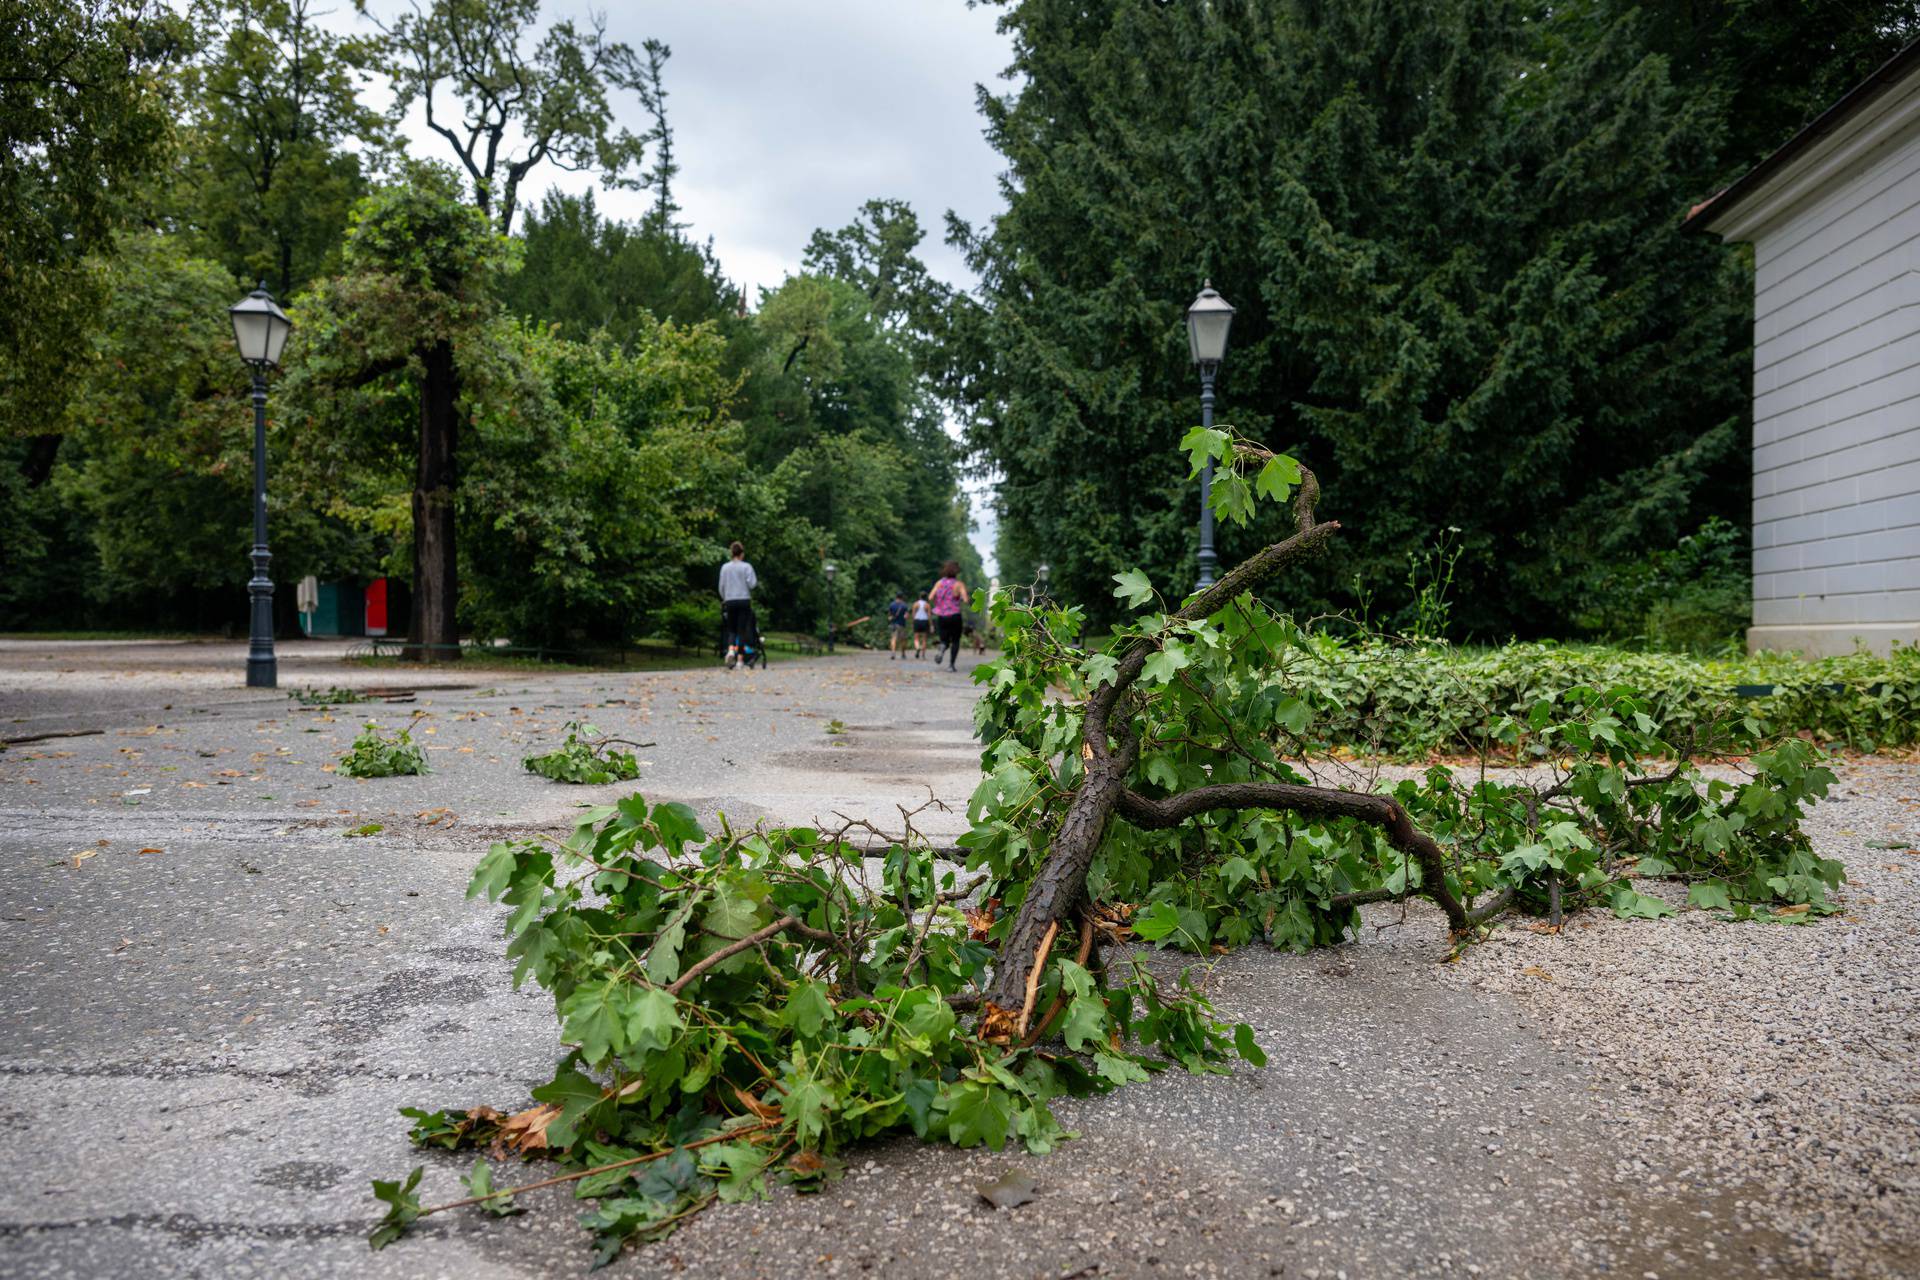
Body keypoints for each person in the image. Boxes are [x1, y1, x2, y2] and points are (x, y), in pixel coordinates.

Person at [718, 541, 757, 670]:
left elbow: (721, 586)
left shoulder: (725, 567)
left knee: (731, 629)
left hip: (730, 600)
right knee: (742, 630)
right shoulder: (747, 567)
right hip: (744, 600)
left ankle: (730, 651)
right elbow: (752, 584)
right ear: (742, 554)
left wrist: (725, 598)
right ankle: (740, 661)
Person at [928, 559, 971, 672]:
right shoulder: (959, 584)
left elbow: (930, 597)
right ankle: (951, 665)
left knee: (944, 640)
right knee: (955, 640)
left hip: (942, 616)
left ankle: (942, 648)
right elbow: (966, 600)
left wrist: (939, 604)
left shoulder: (939, 583)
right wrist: (961, 598)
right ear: (956, 572)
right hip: (955, 615)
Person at [886, 592, 910, 659]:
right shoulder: (904, 605)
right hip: (901, 624)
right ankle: (903, 654)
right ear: (902, 597)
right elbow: (906, 616)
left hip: (893, 624)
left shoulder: (891, 604)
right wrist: (905, 617)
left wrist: (891, 618)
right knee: (902, 640)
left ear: (896, 597)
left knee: (893, 638)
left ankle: (893, 653)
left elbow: (889, 616)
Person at [910, 592, 932, 659]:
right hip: (924, 621)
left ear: (919, 596)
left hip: (917, 621)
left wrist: (912, 623)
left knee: (916, 638)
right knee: (924, 639)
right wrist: (931, 625)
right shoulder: (927, 605)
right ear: (925, 597)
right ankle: (923, 655)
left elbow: (913, 614)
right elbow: (929, 615)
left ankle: (917, 647)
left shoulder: (915, 604)